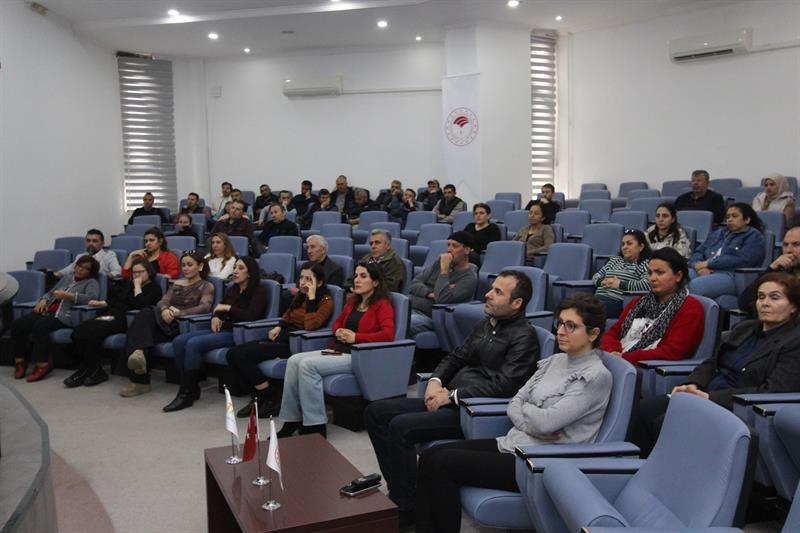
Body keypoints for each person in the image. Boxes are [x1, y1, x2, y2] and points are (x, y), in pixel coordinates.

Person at [414, 294, 612, 533]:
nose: (561, 331)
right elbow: (515, 402)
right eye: (560, 323)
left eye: (571, 326)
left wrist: (529, 415)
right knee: (430, 455)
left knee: (440, 464)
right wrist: (532, 420)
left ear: (593, 334)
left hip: (540, 462)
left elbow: (546, 423)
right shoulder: (555, 360)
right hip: (514, 443)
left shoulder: (595, 376)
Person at [364, 270, 540, 524]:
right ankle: (404, 492)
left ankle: (405, 507)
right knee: (375, 412)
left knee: (400, 426)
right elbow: (456, 357)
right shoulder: (487, 324)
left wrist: (453, 396)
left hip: (473, 412)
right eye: (491, 288)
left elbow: (505, 385)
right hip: (449, 398)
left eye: (498, 292)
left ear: (517, 303)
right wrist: (435, 382)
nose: (487, 294)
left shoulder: (524, 336)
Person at [635, 272, 800, 457]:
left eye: (774, 298)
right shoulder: (745, 328)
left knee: (666, 421)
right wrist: (692, 384)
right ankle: (641, 467)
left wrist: (710, 397)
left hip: (736, 406)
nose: (765, 303)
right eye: (761, 297)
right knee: (645, 408)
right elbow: (712, 362)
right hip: (703, 394)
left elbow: (772, 391)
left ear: (793, 306)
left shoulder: (794, 342)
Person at [277, 263, 395, 438]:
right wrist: (338, 330)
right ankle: (291, 419)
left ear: (376, 282)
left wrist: (356, 337)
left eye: (363, 276)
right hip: (338, 350)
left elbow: (388, 334)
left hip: (359, 355)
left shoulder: (382, 305)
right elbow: (337, 323)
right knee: (294, 361)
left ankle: (316, 426)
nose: (357, 280)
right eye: (356, 276)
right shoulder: (353, 301)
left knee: (307, 365)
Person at [226, 262, 335, 418]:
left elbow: (310, 326)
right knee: (232, 353)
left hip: (297, 342)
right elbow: (288, 315)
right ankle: (258, 397)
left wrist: (311, 299)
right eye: (301, 278)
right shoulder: (300, 296)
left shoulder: (325, 301)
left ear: (319, 282)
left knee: (241, 355)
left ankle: (270, 397)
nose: (303, 282)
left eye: (309, 279)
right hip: (283, 335)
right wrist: (278, 326)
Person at [163, 257, 267, 412]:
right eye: (235, 267)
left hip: (238, 332)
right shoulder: (233, 288)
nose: (235, 271)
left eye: (240, 268)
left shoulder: (258, 291)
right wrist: (215, 317)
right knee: (179, 341)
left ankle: (187, 393)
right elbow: (218, 309)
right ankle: (190, 387)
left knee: (193, 344)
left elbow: (251, 315)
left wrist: (228, 308)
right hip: (221, 328)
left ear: (250, 273)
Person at [119, 252, 214, 397]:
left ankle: (139, 379)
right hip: (164, 321)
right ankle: (139, 357)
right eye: (183, 265)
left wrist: (177, 313)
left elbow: (204, 308)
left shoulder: (206, 286)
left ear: (200, 266)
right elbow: (163, 301)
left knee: (145, 316)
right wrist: (164, 310)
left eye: (190, 265)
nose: (185, 268)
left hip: (182, 325)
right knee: (145, 329)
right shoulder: (177, 283)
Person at [65, 258, 162, 388]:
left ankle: (90, 370)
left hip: (127, 320)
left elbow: (142, 306)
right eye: (134, 272)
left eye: (140, 272)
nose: (137, 275)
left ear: (149, 272)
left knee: (92, 332)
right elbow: (117, 299)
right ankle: (91, 368)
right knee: (79, 330)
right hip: (112, 314)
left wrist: (138, 287)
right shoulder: (128, 284)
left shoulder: (154, 288)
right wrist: (102, 303)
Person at [601, 248, 704, 365]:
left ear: (678, 276)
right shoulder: (638, 302)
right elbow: (613, 333)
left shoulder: (691, 309)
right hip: (618, 360)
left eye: (659, 273)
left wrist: (625, 358)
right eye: (650, 273)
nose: (652, 278)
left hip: (646, 368)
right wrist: (612, 352)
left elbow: (673, 351)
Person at [11, 255, 100, 382]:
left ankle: (42, 365)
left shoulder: (91, 282)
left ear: (90, 272)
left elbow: (92, 299)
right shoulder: (67, 278)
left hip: (65, 315)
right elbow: (51, 292)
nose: (80, 270)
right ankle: (20, 361)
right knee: (18, 325)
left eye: (85, 268)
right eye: (79, 266)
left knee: (40, 326)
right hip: (47, 310)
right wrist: (43, 299)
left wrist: (69, 296)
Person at [688, 203, 765, 299]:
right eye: (728, 217)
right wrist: (697, 265)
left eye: (734, 216)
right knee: (676, 279)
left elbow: (743, 260)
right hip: (705, 269)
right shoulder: (718, 233)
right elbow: (699, 252)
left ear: (747, 219)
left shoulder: (754, 236)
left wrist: (709, 263)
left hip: (731, 275)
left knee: (695, 286)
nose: (730, 219)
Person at [408, 231, 478, 336]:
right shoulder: (438, 263)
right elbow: (414, 283)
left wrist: (444, 270)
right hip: (410, 308)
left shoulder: (469, 278)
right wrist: (430, 294)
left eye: (454, 246)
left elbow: (441, 299)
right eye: (448, 245)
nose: (449, 249)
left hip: (430, 317)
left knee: (400, 323)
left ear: (467, 250)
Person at [739, 226, 800, 314]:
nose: (788, 250)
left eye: (796, 244)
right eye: (785, 245)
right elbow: (744, 303)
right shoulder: (781, 272)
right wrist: (772, 268)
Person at [593, 229, 651, 318]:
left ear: (641, 247)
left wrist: (620, 284)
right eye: (623, 244)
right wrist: (602, 281)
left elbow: (647, 285)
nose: (624, 247)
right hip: (598, 299)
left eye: (629, 244)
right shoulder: (615, 260)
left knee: (585, 310)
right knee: (576, 304)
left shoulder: (644, 264)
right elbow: (596, 276)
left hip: (618, 302)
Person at [54, 229, 121, 281]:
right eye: (88, 241)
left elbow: (118, 271)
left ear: (102, 244)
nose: (90, 243)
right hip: (78, 285)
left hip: (96, 286)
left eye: (95, 241)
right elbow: (68, 269)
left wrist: (103, 277)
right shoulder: (81, 256)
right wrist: (56, 274)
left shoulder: (109, 255)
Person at [513, 201, 555, 266]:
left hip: (532, 261)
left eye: (536, 213)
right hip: (516, 259)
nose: (532, 215)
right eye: (530, 213)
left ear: (543, 218)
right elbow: (512, 244)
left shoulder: (546, 229)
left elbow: (549, 247)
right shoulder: (523, 229)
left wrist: (528, 253)